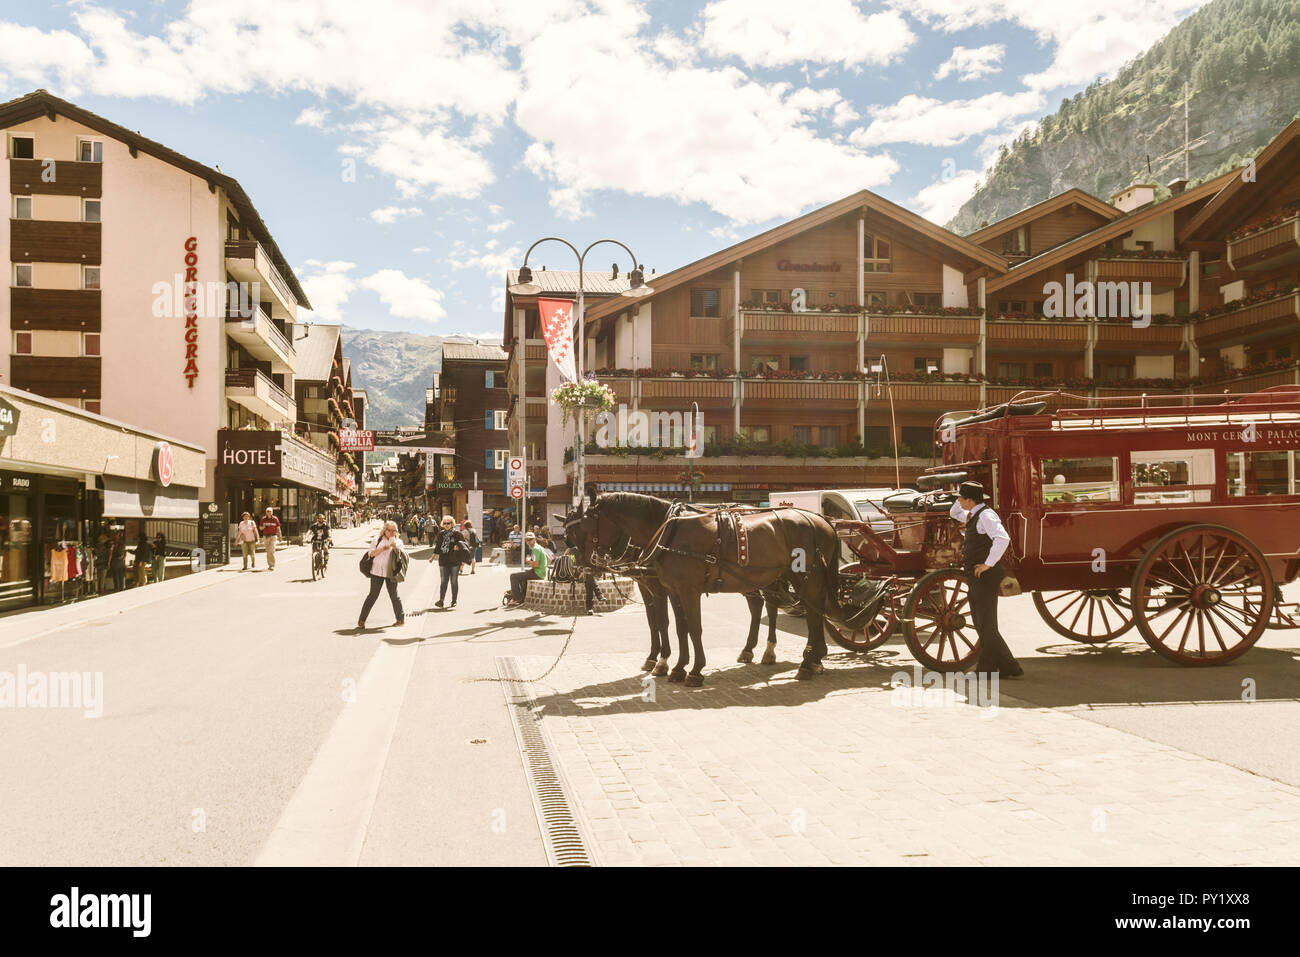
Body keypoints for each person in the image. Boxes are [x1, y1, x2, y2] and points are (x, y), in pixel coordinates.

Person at [950, 480, 1023, 678]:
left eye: (961, 498)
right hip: (977, 575)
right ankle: (1009, 666)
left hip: (985, 574)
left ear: (970, 500)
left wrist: (988, 564)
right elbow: (954, 513)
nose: (958, 501)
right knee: (983, 621)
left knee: (986, 622)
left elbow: (1002, 538)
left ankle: (987, 669)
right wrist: (961, 495)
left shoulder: (986, 516)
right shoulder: (974, 514)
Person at [358, 520, 406, 629]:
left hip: (391, 573)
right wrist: (382, 549)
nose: (392, 533)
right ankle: (362, 620)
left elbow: (402, 557)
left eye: (394, 531)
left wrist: (395, 548)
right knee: (372, 595)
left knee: (394, 595)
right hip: (376, 572)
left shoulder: (398, 542)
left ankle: (400, 619)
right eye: (389, 530)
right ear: (385, 530)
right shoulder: (377, 539)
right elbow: (371, 554)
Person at [431, 515, 467, 608]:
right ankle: (441, 600)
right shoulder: (441, 534)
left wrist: (458, 547)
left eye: (449, 523)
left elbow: (464, 545)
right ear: (443, 524)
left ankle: (454, 600)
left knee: (453, 581)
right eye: (445, 523)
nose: (446, 525)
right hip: (443, 560)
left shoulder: (457, 534)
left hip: (455, 561)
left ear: (452, 524)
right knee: (443, 581)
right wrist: (432, 557)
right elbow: (438, 547)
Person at [507, 531, 548, 606]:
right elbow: (548, 559)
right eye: (527, 540)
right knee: (523, 576)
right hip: (540, 572)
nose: (528, 542)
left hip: (538, 573)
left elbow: (535, 564)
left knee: (513, 576)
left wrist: (528, 561)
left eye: (530, 540)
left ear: (534, 539)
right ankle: (522, 597)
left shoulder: (535, 549)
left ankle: (516, 598)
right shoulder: (538, 547)